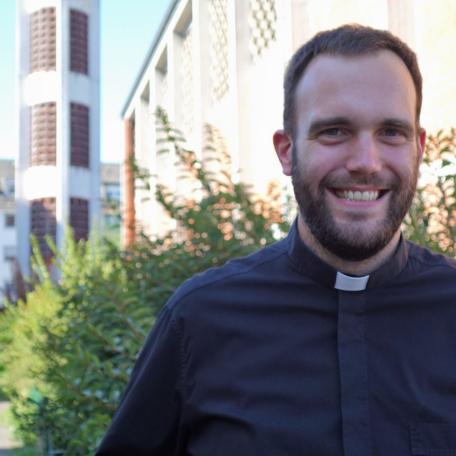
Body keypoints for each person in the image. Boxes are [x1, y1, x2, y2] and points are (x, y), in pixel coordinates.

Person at [97, 24, 456, 455]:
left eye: (391, 132)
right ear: (286, 151)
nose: (366, 162)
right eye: (334, 131)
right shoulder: (199, 320)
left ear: (419, 147)